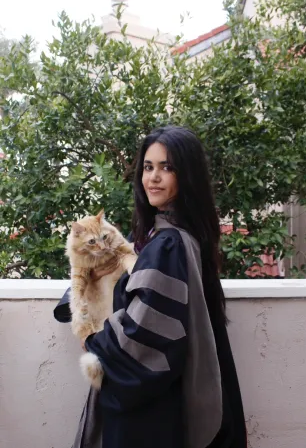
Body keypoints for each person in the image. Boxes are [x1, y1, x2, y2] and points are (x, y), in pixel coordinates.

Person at [54, 125, 247, 448]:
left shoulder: (167, 244)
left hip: (147, 412)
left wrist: (95, 340)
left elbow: (145, 335)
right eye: (148, 167)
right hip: (161, 403)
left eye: (167, 167)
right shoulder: (173, 234)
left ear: (187, 176)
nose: (153, 177)